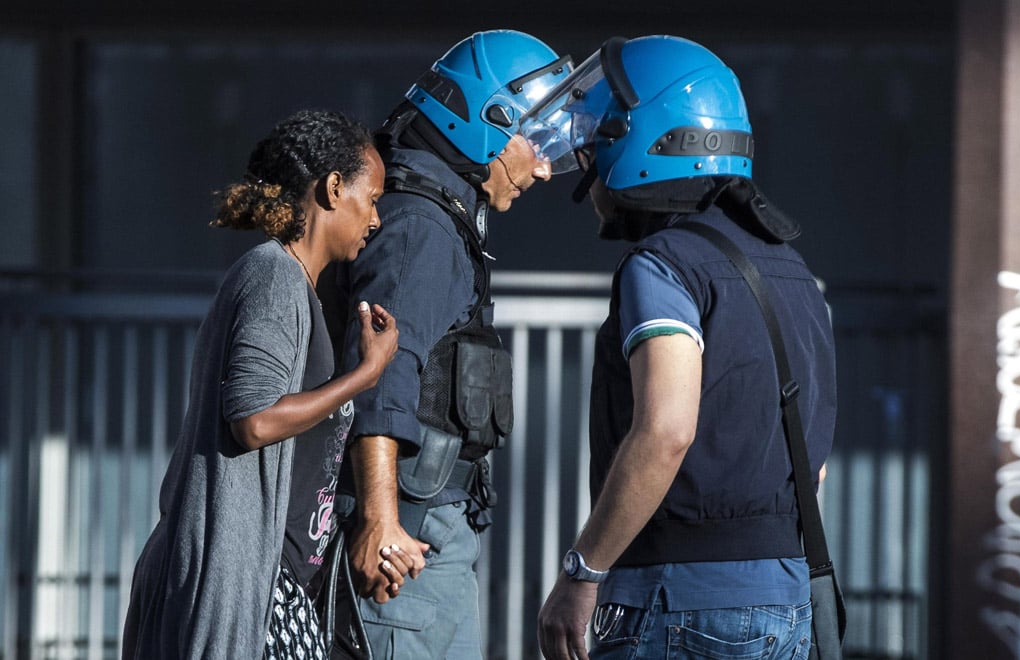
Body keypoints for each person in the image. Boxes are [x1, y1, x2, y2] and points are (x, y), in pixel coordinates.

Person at [526, 36, 837, 659]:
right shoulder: (795, 272)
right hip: (786, 598)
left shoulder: (662, 265)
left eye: (597, 137)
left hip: (679, 601)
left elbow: (666, 431)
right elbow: (814, 462)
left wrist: (582, 574)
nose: (585, 158)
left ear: (641, 138)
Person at [319, 30, 572, 659]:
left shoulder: (437, 211)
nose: (543, 168)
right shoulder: (421, 225)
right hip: (404, 535)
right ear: (486, 123)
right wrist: (380, 519)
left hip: (430, 529)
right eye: (536, 143)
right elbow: (381, 371)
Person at [122, 109, 402, 660]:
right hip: (250, 597)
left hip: (281, 592)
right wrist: (365, 376)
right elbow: (255, 419)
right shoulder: (273, 276)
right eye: (371, 199)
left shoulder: (296, 287)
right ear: (332, 188)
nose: (376, 219)